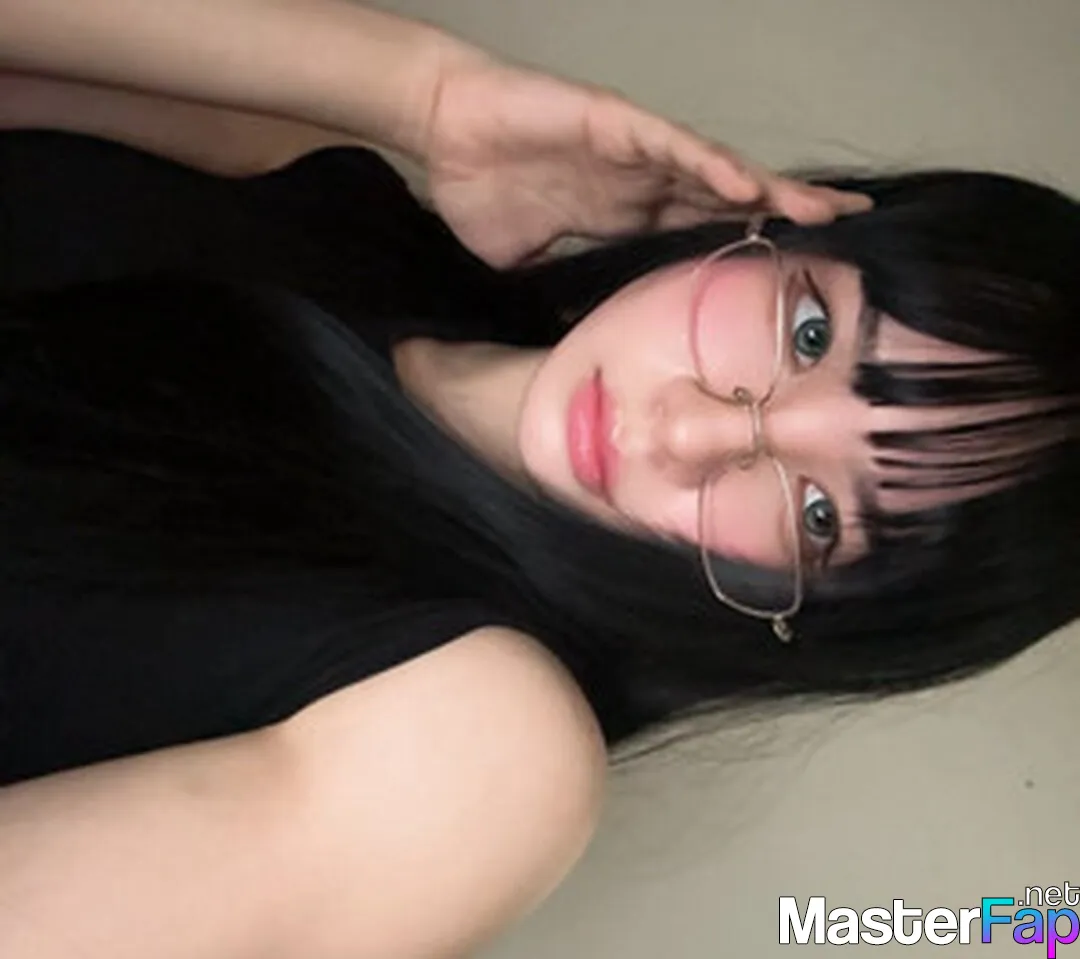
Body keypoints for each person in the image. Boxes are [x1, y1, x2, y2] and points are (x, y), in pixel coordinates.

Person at [0, 1, 1077, 957]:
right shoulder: (336, 191)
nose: (695, 430)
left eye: (818, 511)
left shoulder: (479, 755)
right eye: (808, 334)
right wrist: (420, 92)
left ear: (814, 611)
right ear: (789, 227)